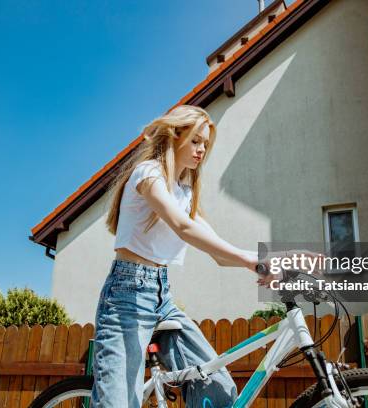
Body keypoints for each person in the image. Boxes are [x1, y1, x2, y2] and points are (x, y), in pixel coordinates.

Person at [90, 105, 270, 407]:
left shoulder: (184, 194)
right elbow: (183, 227)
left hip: (162, 298)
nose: (202, 150)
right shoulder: (148, 174)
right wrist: (250, 260)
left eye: (206, 145)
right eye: (196, 140)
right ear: (176, 134)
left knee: (218, 387)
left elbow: (220, 253)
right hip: (125, 298)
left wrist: (273, 259)